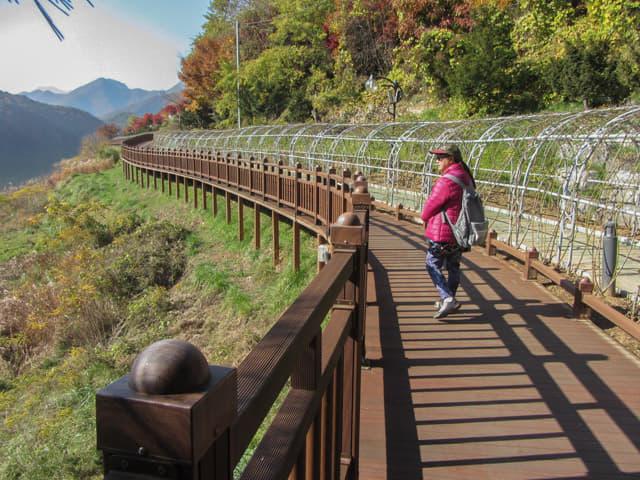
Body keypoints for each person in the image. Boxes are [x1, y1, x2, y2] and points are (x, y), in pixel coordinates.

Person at [421, 144, 476, 319]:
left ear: (451, 159)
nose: (437, 161)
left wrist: (423, 217)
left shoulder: (446, 181)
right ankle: (448, 299)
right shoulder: (466, 177)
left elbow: (431, 205)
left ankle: (447, 298)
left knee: (431, 264)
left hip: (444, 231)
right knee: (453, 266)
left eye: (440, 158)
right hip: (460, 232)